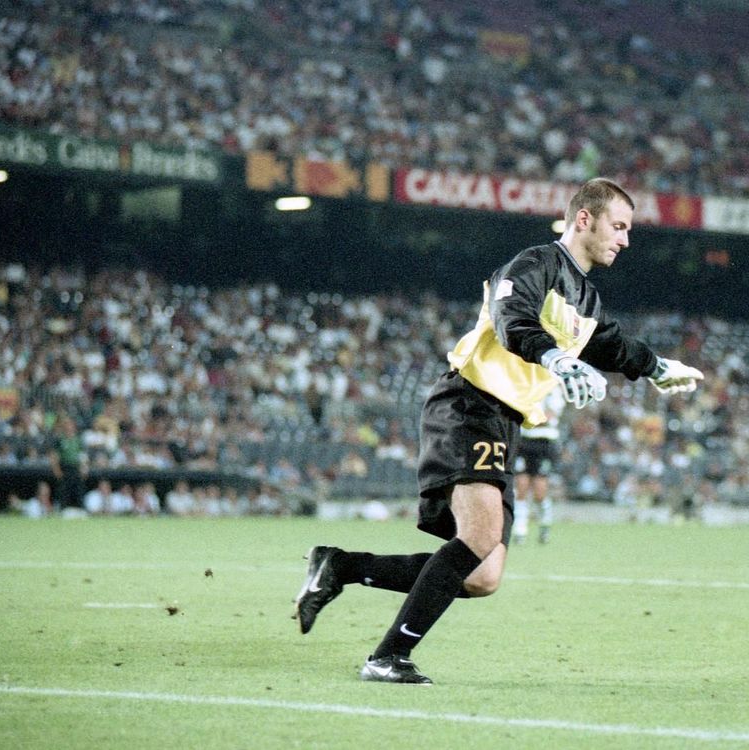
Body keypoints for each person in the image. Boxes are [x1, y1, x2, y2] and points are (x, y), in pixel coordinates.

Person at [293, 178, 704, 684]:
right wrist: (555, 358)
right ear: (584, 219)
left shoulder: (586, 298)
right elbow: (512, 318)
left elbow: (611, 345)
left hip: (505, 421)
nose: (625, 239)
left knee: (482, 575)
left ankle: (339, 567)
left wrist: (658, 367)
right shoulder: (534, 264)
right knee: (481, 536)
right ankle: (386, 657)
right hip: (469, 402)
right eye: (618, 226)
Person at [512, 386, 565, 544]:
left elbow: (547, 417)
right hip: (523, 441)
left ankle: (545, 523)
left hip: (544, 442)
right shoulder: (523, 385)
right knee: (521, 485)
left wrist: (526, 418)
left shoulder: (551, 388)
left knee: (539, 491)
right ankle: (520, 529)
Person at [48, 415, 87, 510]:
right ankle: (62, 509)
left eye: (70, 424)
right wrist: (56, 469)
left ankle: (81, 509)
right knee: (63, 490)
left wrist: (84, 468)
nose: (68, 427)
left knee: (79, 489)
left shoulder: (78, 440)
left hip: (76, 467)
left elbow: (82, 455)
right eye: (66, 424)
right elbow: (54, 455)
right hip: (64, 467)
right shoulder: (59, 439)